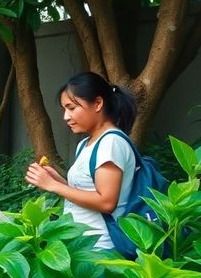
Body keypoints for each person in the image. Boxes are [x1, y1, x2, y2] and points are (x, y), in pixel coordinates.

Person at [25, 71, 137, 252]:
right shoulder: (86, 144)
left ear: (98, 103)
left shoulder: (111, 143)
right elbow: (86, 193)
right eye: (64, 109)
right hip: (83, 246)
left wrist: (55, 187)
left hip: (101, 249)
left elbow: (106, 202)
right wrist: (56, 181)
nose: (66, 117)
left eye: (72, 107)